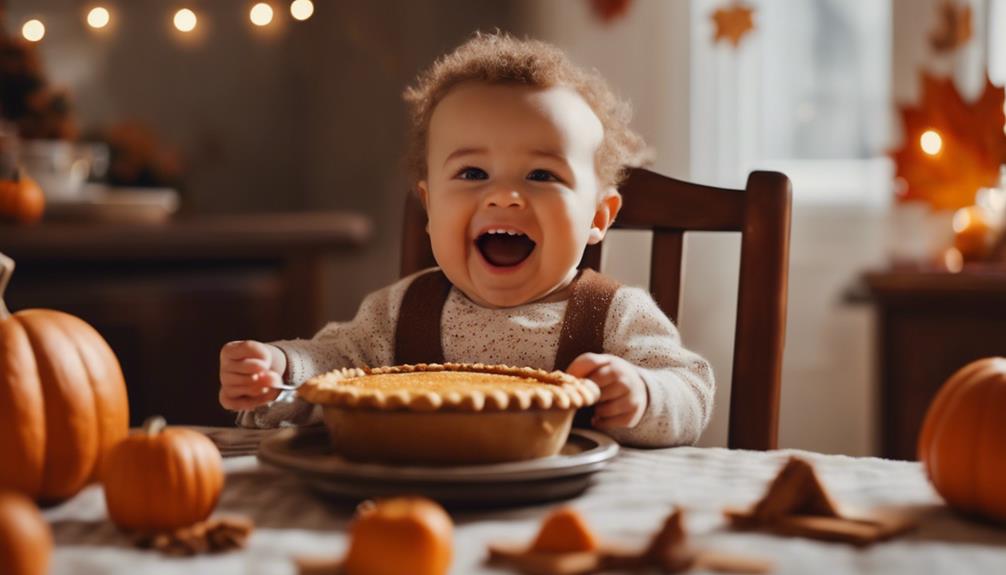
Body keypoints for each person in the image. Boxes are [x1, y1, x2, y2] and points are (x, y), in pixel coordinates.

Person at [219, 32, 713, 447]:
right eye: (473, 171)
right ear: (430, 207)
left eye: (542, 174)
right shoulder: (400, 312)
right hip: (423, 508)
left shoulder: (615, 316)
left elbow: (692, 393)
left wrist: (643, 394)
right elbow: (336, 368)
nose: (504, 197)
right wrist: (279, 372)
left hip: (566, 516)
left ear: (599, 216)